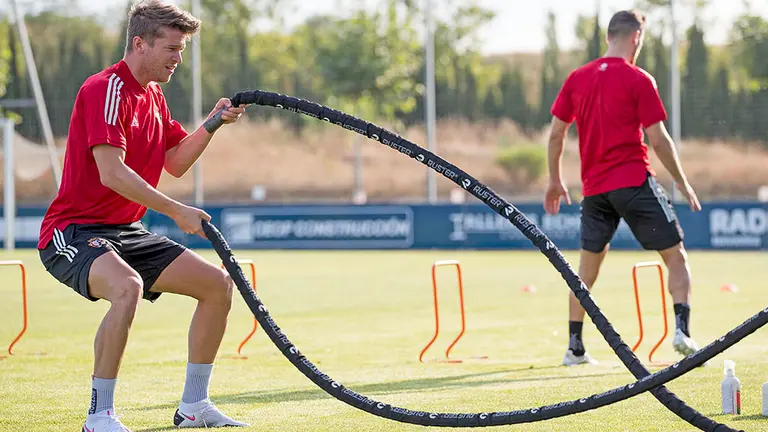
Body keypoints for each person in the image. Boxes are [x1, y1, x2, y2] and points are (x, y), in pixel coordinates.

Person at [37, 1, 249, 430]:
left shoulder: (153, 96)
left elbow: (175, 161)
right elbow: (112, 172)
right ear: (140, 43)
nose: (178, 58)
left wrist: (210, 124)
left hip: (125, 231)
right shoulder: (105, 89)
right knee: (127, 287)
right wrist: (175, 211)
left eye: (182, 49)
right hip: (72, 232)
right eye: (172, 48)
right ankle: (99, 416)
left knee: (217, 285)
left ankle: (194, 407)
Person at [543, 9, 703, 367]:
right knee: (675, 257)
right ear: (636, 38)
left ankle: (575, 347)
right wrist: (681, 181)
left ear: (607, 38)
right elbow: (658, 140)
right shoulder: (639, 79)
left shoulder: (576, 78)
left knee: (585, 272)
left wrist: (554, 180)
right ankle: (682, 332)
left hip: (595, 192)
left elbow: (556, 134)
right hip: (633, 183)